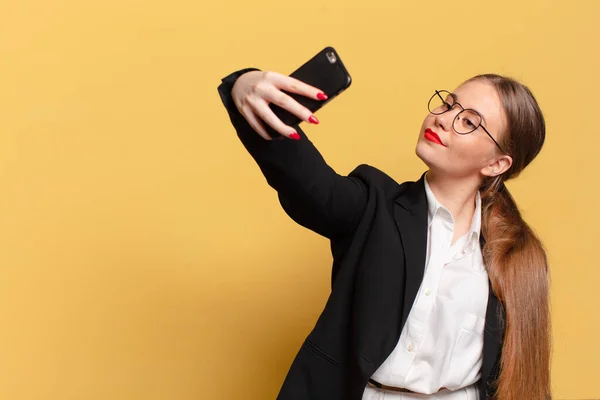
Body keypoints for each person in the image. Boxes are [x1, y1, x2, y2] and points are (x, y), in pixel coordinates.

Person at [217, 66, 551, 400]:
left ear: (497, 165)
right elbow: (306, 183)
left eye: (469, 122)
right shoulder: (373, 206)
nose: (444, 119)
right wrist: (244, 85)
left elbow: (520, 376)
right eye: (449, 104)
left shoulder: (516, 255)